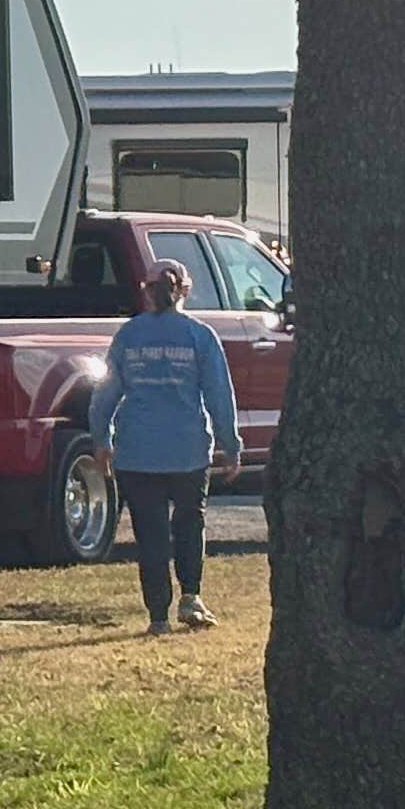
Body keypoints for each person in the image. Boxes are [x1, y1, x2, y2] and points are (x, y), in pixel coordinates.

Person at [93, 259, 242, 635]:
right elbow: (219, 395)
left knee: (151, 533)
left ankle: (158, 615)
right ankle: (191, 596)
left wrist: (102, 440)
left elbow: (105, 393)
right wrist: (230, 444)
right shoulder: (199, 336)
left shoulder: (128, 336)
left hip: (138, 451)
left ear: (146, 291)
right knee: (190, 523)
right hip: (188, 449)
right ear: (185, 291)